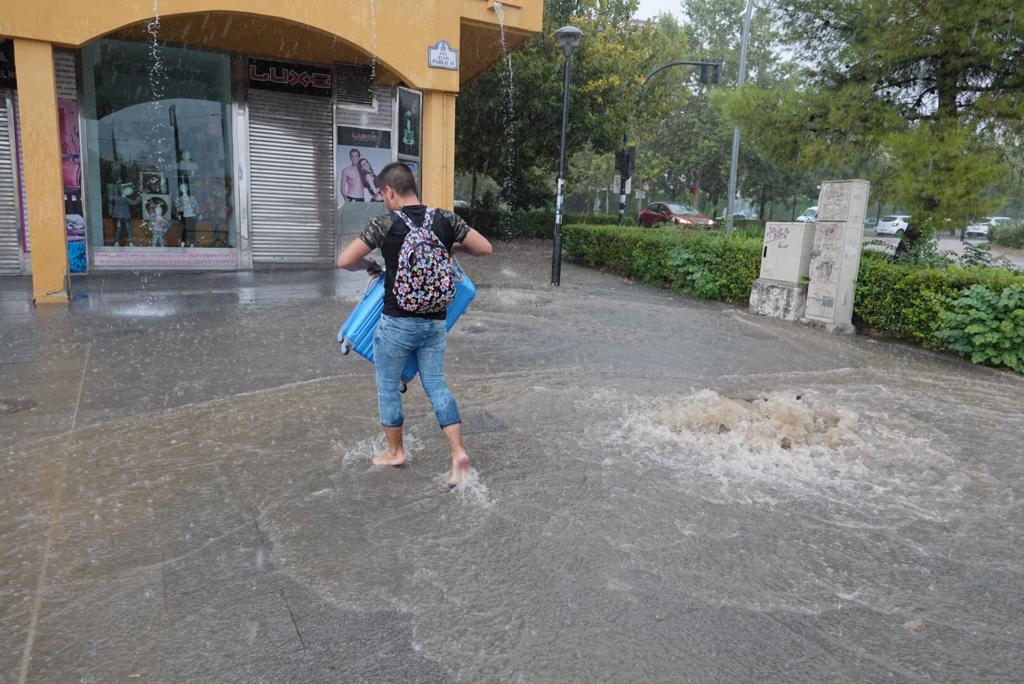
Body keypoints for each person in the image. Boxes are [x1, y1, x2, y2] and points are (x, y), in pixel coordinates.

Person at [337, 162, 493, 487]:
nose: (384, 201)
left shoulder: (385, 224)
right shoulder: (445, 219)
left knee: (387, 386)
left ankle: (395, 452)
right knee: (436, 385)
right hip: (435, 322)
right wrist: (449, 244)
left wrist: (370, 263)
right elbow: (484, 248)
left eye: (383, 195)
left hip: (397, 322)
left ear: (390, 191)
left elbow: (344, 260)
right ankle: (457, 454)